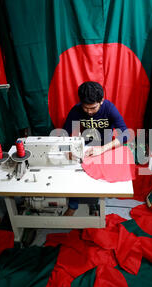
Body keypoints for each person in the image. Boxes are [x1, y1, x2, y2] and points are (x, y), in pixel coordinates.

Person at [62, 81, 128, 216]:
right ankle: (73, 205)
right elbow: (64, 132)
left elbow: (125, 134)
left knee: (98, 178)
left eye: (93, 108)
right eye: (86, 108)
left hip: (106, 146)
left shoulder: (109, 108)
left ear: (102, 101)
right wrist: (68, 149)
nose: (89, 112)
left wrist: (102, 149)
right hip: (86, 146)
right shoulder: (77, 109)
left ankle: (95, 204)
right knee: (76, 174)